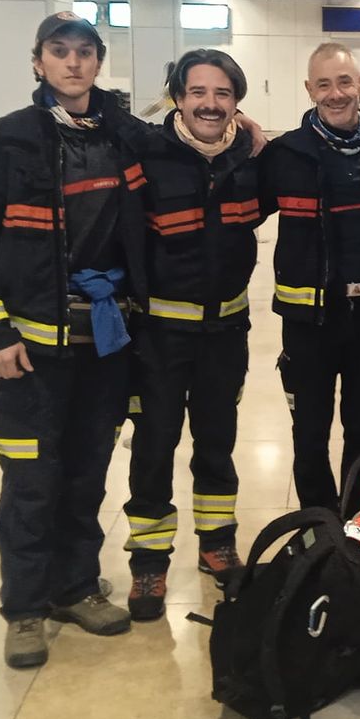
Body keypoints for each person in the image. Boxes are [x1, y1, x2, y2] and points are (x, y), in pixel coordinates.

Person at [0, 10, 148, 668]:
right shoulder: (4, 142)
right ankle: (25, 607)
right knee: (32, 480)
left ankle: (73, 587)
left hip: (104, 343)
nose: (72, 63)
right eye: (59, 52)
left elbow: (190, 148)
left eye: (84, 52)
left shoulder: (125, 138)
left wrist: (249, 132)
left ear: (98, 62)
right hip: (30, 355)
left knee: (88, 473)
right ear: (38, 61)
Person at [122, 49, 261, 621]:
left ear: (236, 102)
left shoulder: (251, 160)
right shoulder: (146, 155)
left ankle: (217, 542)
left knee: (217, 440)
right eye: (198, 92)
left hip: (225, 332)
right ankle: (149, 561)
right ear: (178, 97)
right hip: (158, 335)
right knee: (153, 447)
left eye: (223, 93)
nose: (210, 103)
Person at [259, 42, 360, 512]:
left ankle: (356, 521)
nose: (335, 93)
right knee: (309, 431)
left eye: (345, 81)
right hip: (309, 323)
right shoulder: (285, 154)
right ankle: (318, 526)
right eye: (323, 84)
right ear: (309, 90)